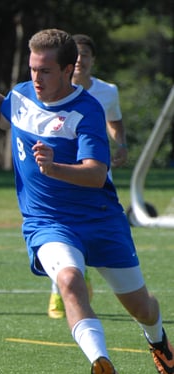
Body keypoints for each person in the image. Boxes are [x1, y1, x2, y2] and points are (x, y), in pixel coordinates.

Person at [0, 28, 174, 374]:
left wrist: (54, 167)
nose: (35, 79)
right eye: (32, 69)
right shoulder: (23, 94)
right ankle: (101, 363)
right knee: (70, 281)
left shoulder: (87, 110)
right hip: (47, 221)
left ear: (70, 69)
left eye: (45, 71)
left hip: (101, 221)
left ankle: (157, 338)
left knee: (141, 306)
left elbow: (95, 173)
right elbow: (0, 114)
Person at [47, 33, 129, 319]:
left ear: (93, 59)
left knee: (98, 225)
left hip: (95, 172)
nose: (81, 59)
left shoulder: (107, 91)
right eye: (76, 54)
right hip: (60, 171)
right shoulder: (52, 89)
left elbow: (115, 122)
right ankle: (60, 289)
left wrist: (120, 144)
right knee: (58, 226)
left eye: (86, 54)